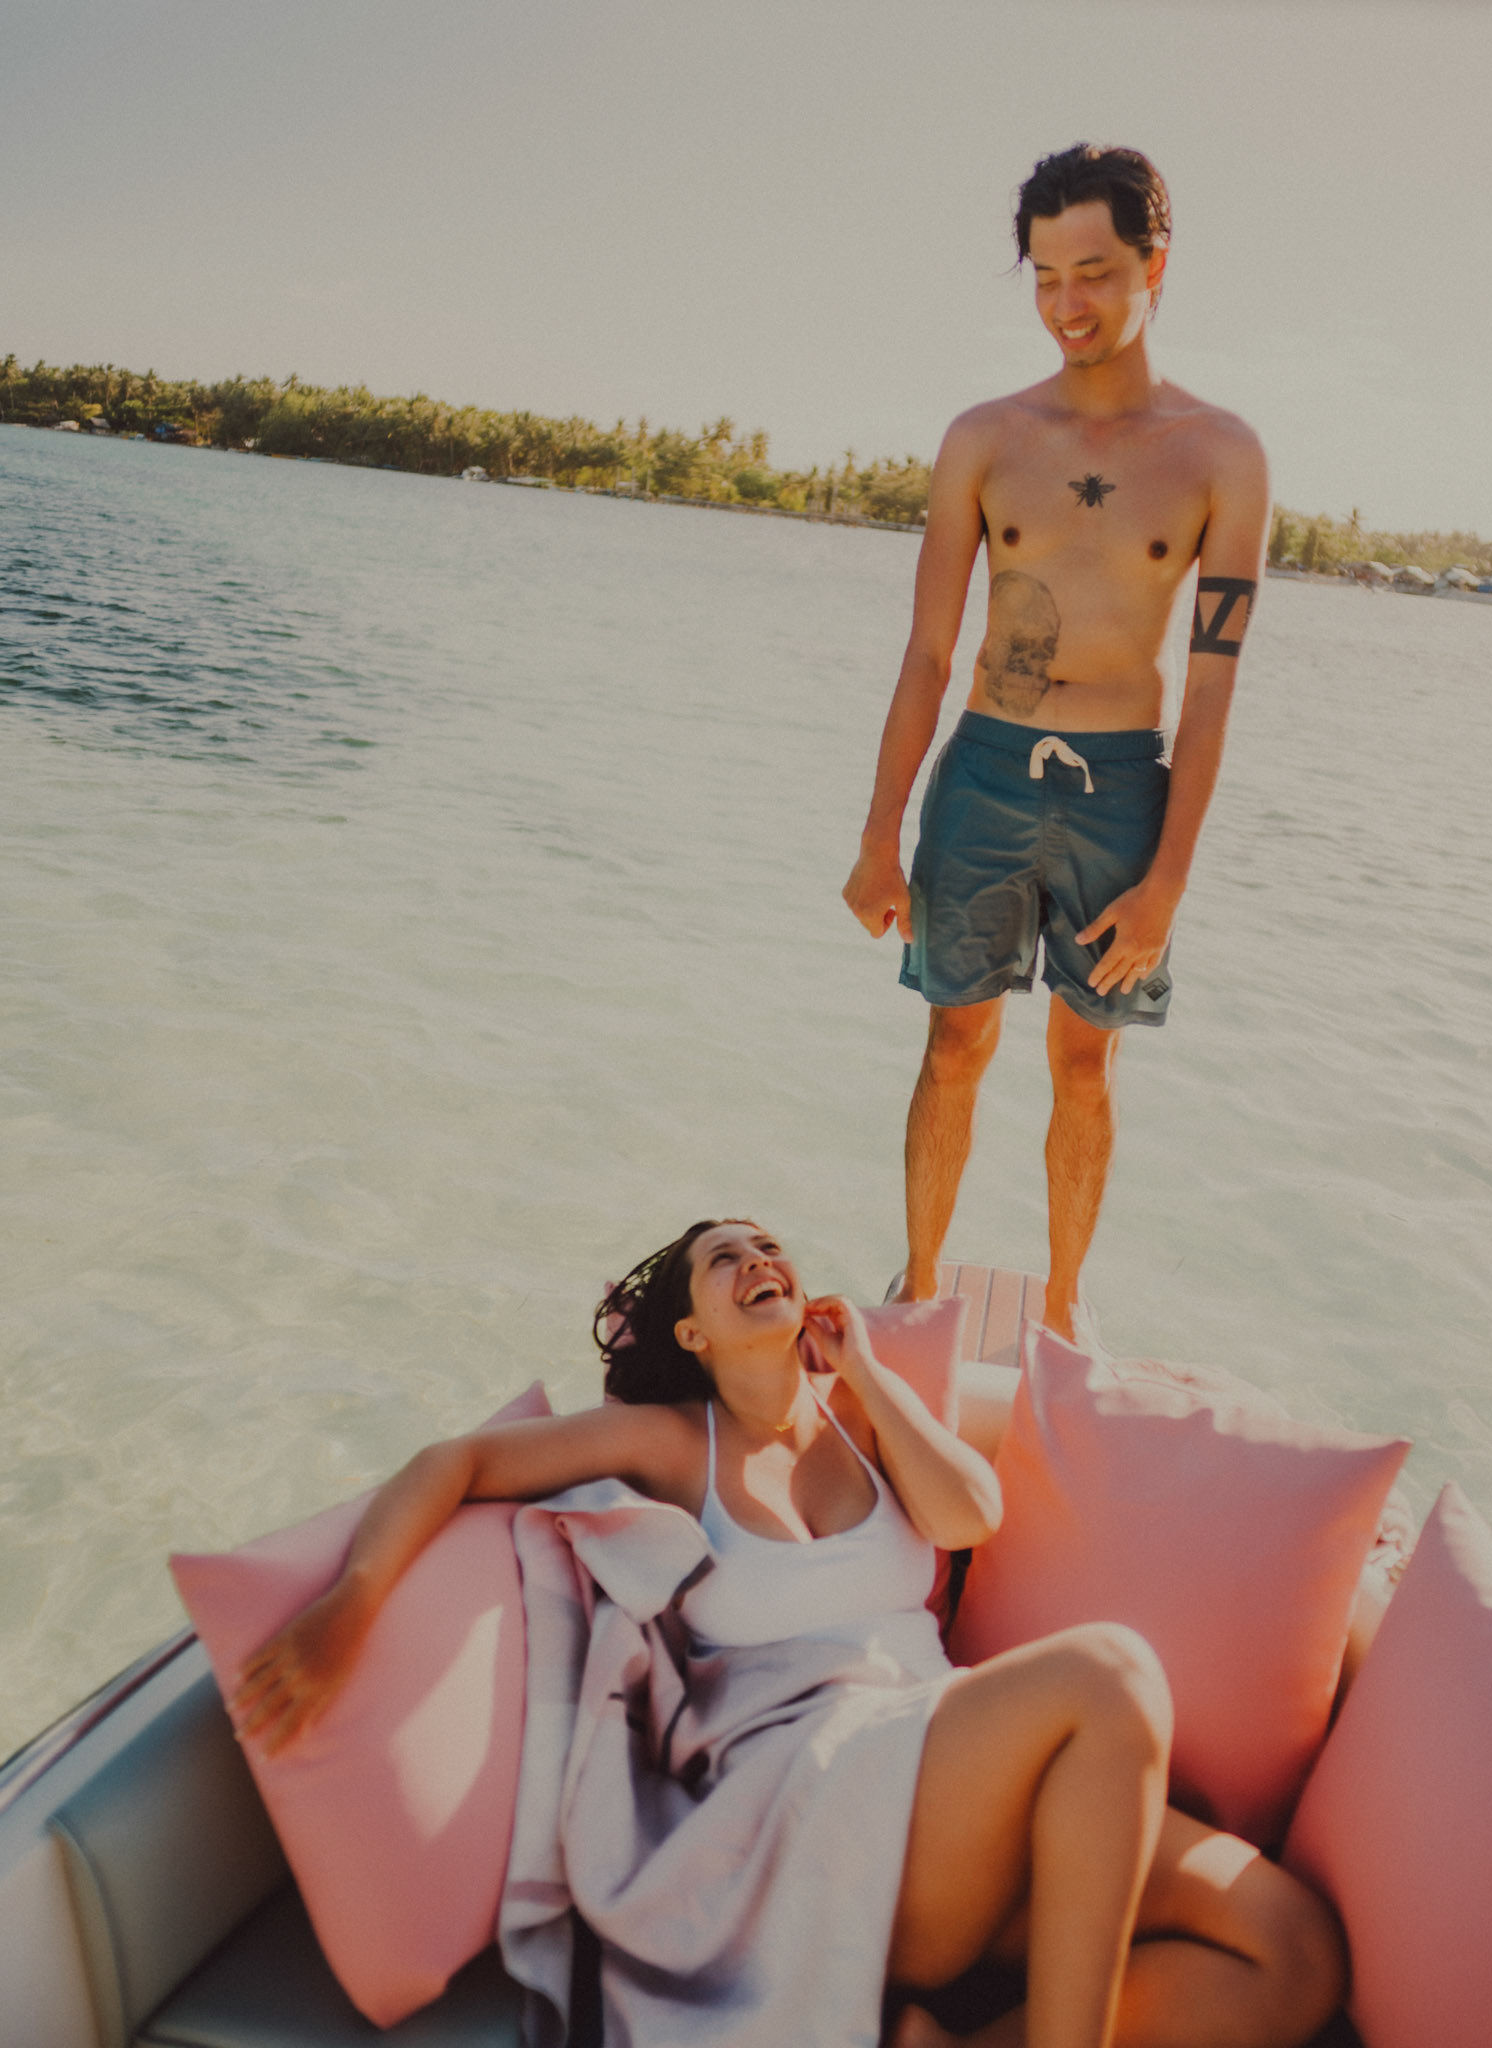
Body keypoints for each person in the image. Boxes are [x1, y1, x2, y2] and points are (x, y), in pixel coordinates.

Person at [234, 1219, 1342, 2048]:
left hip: (958, 1787)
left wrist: (861, 1367)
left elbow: (971, 1514)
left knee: (1291, 1950)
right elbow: (458, 1462)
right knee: (1111, 1671)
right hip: (823, 1809)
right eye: (726, 1258)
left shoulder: (862, 1419)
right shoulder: (678, 1439)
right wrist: (355, 1599)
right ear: (692, 1328)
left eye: (768, 1242)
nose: (759, 1255)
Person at [843, 145, 1271, 1341]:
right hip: (982, 769)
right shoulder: (983, 437)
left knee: (1087, 1067)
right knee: (954, 1042)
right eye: (1043, 276)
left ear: (1155, 266)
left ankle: (1067, 1310)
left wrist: (1169, 879)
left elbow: (1215, 681)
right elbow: (928, 652)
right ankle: (922, 1286)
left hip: (1124, 788)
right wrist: (879, 832)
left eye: (1093, 271)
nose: (1067, 304)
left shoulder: (1222, 455)